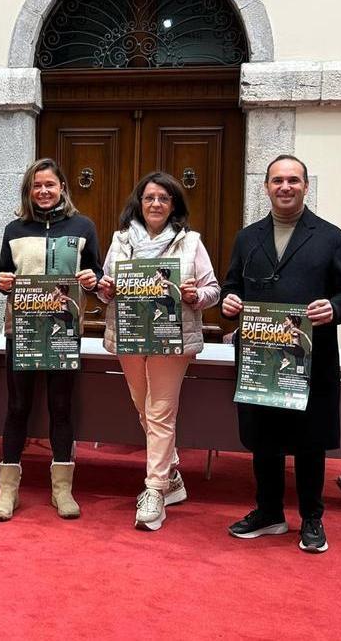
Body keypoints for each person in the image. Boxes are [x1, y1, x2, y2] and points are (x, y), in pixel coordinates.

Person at [220, 154, 341, 553]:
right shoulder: (247, 238)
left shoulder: (331, 237)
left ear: (305, 186)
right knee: (263, 438)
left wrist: (334, 309)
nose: (285, 187)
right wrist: (230, 304)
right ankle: (269, 513)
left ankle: (312, 518)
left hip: (311, 359)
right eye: (278, 180)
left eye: (293, 180)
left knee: (309, 441)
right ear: (266, 187)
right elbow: (233, 289)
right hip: (260, 358)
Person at [96, 171, 220, 531]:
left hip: (171, 338)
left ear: (173, 205)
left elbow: (212, 289)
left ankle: (154, 490)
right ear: (139, 202)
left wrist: (198, 295)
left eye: (163, 199)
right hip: (130, 336)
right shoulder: (121, 241)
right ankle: (173, 477)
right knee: (143, 406)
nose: (155, 204)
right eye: (149, 198)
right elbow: (106, 290)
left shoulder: (191, 242)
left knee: (161, 410)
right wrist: (106, 288)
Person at [0, 158, 102, 521]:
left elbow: (98, 277)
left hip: (64, 332)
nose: (43, 191)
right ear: (28, 190)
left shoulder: (83, 226)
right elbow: (2, 275)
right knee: (18, 407)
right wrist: (1, 281)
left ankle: (62, 490)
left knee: (60, 407)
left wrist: (91, 281)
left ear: (62, 188)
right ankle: (8, 490)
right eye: (36, 185)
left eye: (49, 185)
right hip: (20, 330)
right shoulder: (14, 229)